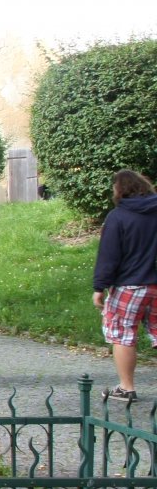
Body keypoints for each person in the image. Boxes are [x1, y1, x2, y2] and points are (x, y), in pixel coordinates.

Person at [92, 169, 157, 401]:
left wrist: (99, 287)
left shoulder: (118, 217)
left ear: (119, 189)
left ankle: (126, 388)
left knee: (122, 334)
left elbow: (109, 255)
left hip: (130, 285)